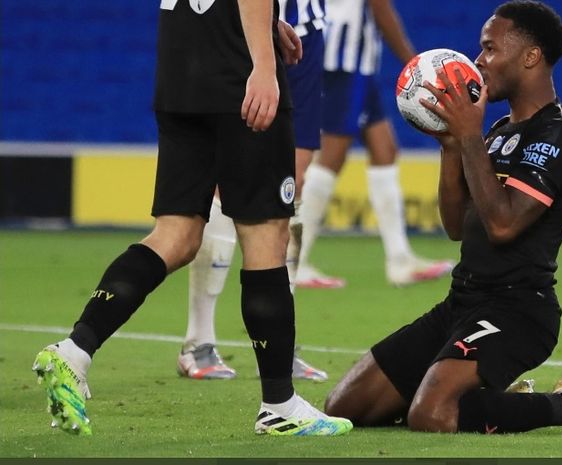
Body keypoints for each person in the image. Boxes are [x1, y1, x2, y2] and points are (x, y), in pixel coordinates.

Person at [324, 0, 562, 435]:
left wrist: (470, 136)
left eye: (490, 48)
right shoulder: (496, 133)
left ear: (531, 57)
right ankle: (487, 402)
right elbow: (457, 226)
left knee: (432, 415)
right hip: (462, 303)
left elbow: (503, 224)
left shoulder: (559, 135)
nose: (478, 60)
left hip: (518, 311)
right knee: (344, 406)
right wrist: (451, 148)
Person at [31, 0, 352, 437]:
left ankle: (74, 351)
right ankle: (279, 404)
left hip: (181, 71)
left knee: (176, 234)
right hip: (236, 75)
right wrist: (262, 64)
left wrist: (266, 23)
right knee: (265, 236)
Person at [176, 0, 330, 382]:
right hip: (239, 34)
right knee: (223, 179)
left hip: (306, 31)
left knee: (291, 189)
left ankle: (283, 344)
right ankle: (198, 340)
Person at [294, 0, 454, 289]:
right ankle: (295, 259)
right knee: (333, 153)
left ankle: (399, 259)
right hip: (344, 58)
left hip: (354, 58)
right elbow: (380, 7)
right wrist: (414, 65)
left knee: (384, 150)